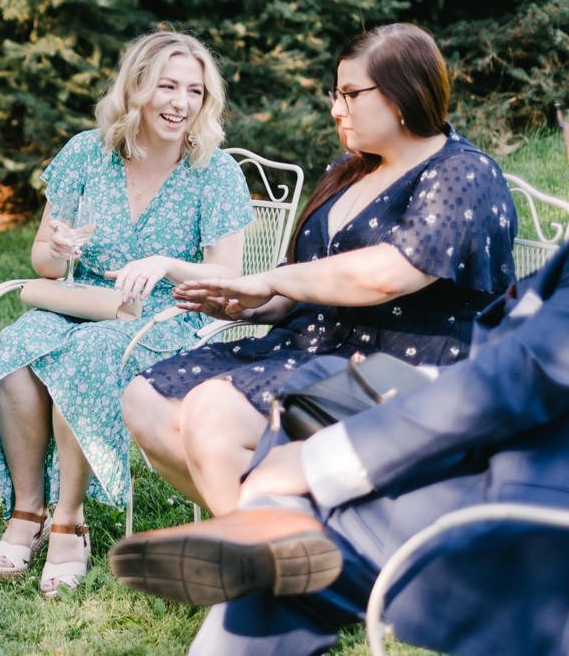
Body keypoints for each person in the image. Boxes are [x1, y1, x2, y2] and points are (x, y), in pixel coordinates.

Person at [121, 23, 517, 517]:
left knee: (212, 412)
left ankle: (266, 562)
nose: (336, 108)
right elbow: (299, 278)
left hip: (408, 369)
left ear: (404, 94)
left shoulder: (462, 172)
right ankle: (284, 543)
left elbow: (390, 273)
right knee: (144, 398)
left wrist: (272, 280)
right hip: (313, 347)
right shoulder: (347, 169)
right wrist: (250, 300)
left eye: (350, 94)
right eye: (336, 93)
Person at [109, 238, 569, 655]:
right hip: (489, 444)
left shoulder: (460, 176)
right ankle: (264, 524)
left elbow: (518, 375)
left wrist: (319, 461)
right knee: (317, 395)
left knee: (293, 517)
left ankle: (262, 525)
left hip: (520, 527)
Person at [0, 31, 254, 597]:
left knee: (92, 352)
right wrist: (56, 248)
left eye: (194, 91)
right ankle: (27, 511)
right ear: (136, 88)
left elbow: (228, 281)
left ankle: (70, 521)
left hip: (167, 318)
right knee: (15, 344)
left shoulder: (215, 171)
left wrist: (166, 264)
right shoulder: (87, 152)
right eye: (167, 86)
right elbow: (43, 262)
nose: (180, 102)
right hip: (86, 302)